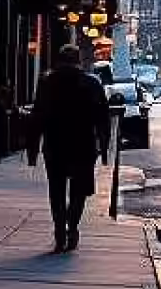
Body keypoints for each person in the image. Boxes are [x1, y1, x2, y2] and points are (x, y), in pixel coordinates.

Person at [25, 45, 111, 252]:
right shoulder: (91, 83)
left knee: (56, 189)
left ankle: (59, 231)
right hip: (83, 144)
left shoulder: (47, 82)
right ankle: (72, 227)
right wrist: (104, 147)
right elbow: (103, 119)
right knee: (79, 190)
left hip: (55, 144)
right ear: (78, 60)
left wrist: (32, 150)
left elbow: (38, 116)